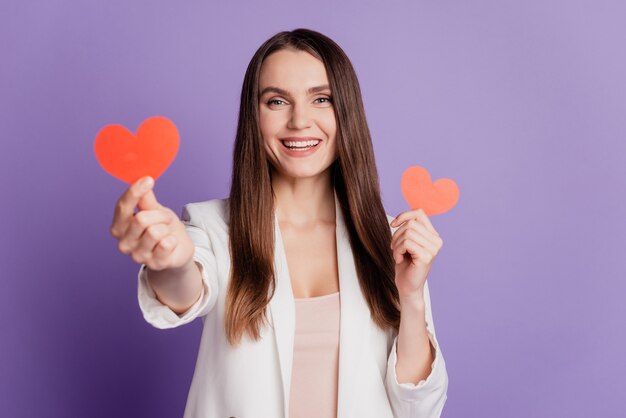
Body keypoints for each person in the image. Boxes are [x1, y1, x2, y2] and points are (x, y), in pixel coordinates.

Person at [110, 28, 448, 418]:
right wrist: (172, 261)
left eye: (321, 99)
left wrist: (411, 297)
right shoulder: (212, 227)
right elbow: (184, 292)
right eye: (276, 101)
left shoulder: (390, 239)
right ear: (254, 116)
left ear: (347, 113)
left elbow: (419, 404)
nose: (300, 121)